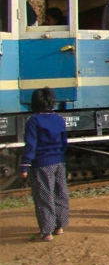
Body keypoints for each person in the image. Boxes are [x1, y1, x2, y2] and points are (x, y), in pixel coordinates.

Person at [20, 87, 69, 241]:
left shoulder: (33, 121)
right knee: (60, 193)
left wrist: (25, 165)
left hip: (41, 164)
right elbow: (64, 142)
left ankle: (47, 231)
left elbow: (31, 145)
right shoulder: (59, 119)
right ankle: (59, 226)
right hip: (59, 162)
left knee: (44, 196)